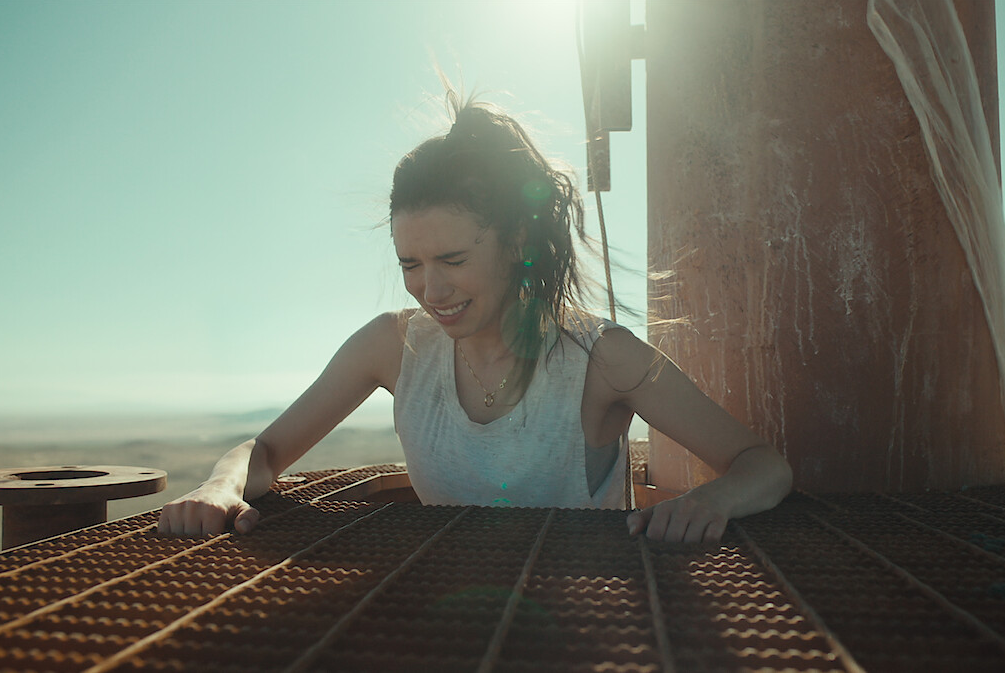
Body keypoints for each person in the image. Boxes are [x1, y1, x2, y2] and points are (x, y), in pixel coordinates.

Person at [158, 93, 792, 543]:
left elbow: (763, 465)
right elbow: (263, 451)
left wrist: (712, 500)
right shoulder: (393, 346)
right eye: (411, 263)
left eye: (453, 258)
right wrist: (221, 483)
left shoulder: (603, 357)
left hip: (584, 625)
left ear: (515, 240)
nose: (430, 289)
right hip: (444, 622)